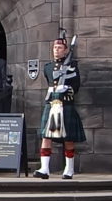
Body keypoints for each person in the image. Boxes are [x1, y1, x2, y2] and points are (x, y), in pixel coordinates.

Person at [35, 33, 85, 179]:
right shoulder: (48, 67)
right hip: (52, 103)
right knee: (46, 136)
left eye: (59, 47)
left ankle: (69, 169)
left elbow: (76, 86)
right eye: (55, 47)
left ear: (65, 50)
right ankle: (44, 169)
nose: (56, 50)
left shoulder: (72, 66)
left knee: (68, 137)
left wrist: (67, 88)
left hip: (66, 103)